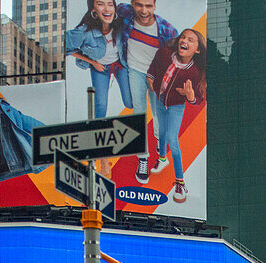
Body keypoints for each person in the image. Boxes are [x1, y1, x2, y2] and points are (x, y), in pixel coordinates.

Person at [118, 0, 178, 183]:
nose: (143, 10)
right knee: (138, 114)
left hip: (156, 75)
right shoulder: (125, 13)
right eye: (139, 5)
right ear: (132, 4)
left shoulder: (168, 29)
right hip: (134, 70)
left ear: (155, 6)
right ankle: (142, 158)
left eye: (148, 6)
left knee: (159, 115)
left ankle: (161, 152)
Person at [145, 28, 206, 204]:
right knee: (161, 132)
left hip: (176, 105)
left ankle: (180, 182)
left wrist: (189, 95)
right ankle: (162, 158)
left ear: (197, 49)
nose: (184, 40)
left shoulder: (194, 72)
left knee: (173, 139)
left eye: (190, 39)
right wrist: (155, 88)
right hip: (160, 100)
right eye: (183, 37)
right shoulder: (164, 54)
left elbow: (198, 100)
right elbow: (151, 73)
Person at [67, 0, 133, 118]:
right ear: (93, 10)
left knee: (129, 102)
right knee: (101, 107)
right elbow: (65, 46)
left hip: (119, 65)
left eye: (110, 4)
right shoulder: (85, 32)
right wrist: (92, 62)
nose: (107, 9)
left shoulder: (121, 24)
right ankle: (97, 133)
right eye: (101, 4)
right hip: (100, 69)